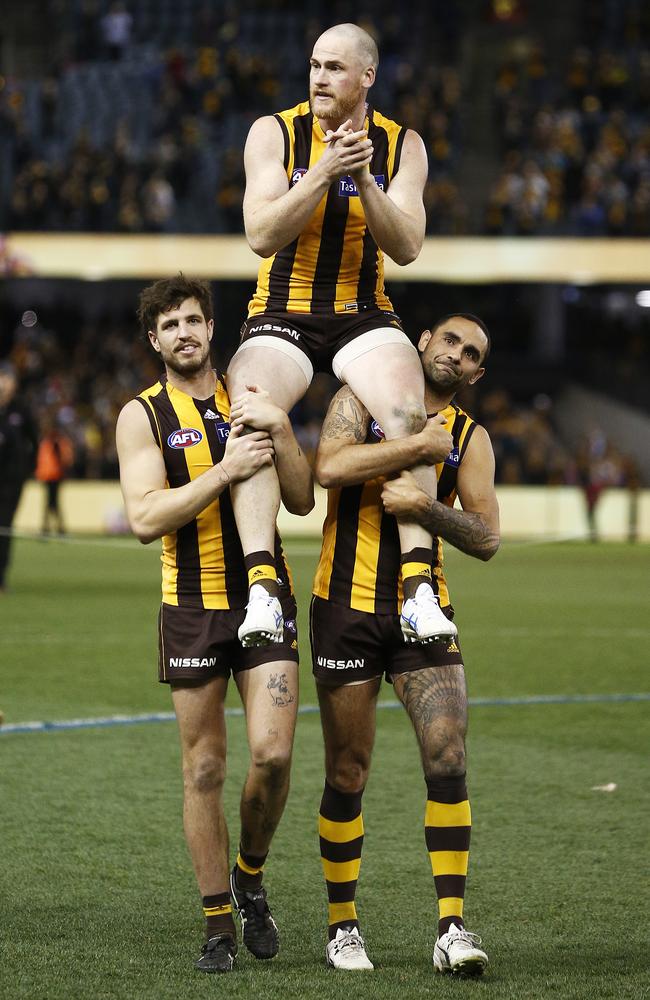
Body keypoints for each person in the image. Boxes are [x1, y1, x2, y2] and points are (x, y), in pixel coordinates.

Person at [228, 21, 454, 650]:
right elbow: (261, 234)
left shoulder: (403, 144)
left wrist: (365, 183)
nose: (319, 77)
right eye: (314, 65)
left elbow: (407, 247)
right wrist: (325, 170)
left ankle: (418, 589)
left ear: (367, 78)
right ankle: (263, 589)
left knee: (410, 409)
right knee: (248, 404)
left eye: (334, 67)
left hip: (362, 311)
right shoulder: (274, 132)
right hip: (283, 308)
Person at [115, 275, 314, 974]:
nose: (183, 334)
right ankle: (216, 926)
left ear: (211, 328)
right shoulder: (142, 415)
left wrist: (282, 431)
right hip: (192, 607)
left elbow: (298, 496)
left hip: (266, 597)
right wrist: (222, 472)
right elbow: (144, 518)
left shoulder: (251, 395)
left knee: (274, 755)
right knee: (203, 767)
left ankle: (250, 876)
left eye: (192, 321)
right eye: (169, 326)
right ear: (154, 340)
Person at [310, 314, 500, 974]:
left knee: (448, 756)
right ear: (422, 342)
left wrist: (427, 510)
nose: (455, 354)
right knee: (347, 771)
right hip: (346, 606)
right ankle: (343, 926)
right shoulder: (359, 396)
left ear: (476, 375)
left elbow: (486, 536)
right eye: (449, 340)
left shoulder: (470, 440)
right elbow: (327, 466)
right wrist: (412, 451)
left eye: (470, 353)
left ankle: (452, 928)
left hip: (426, 615)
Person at [0, 362, 38, 592]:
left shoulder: (20, 410)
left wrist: (26, 469)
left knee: (4, 528)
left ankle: (1, 577)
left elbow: (34, 440)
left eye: (8, 378)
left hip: (11, 483)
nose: (5, 383)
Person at [34, 415, 74, 535]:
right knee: (51, 503)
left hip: (54, 476)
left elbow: (63, 459)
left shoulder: (54, 442)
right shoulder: (47, 441)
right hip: (48, 475)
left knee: (52, 503)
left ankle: (52, 528)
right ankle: (54, 528)